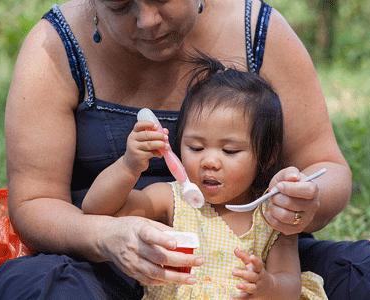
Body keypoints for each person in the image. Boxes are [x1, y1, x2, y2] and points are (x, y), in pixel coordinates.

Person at [0, 0, 370, 299]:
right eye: (120, 5)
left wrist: (303, 203)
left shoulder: (259, 30)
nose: (147, 20)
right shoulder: (55, 47)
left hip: (251, 267)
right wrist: (108, 236)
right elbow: (36, 202)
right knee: (36, 287)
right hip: (103, 268)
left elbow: (326, 167)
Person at [81, 55, 328, 299]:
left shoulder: (274, 215)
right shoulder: (173, 199)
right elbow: (96, 208)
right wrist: (129, 165)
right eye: (196, 148)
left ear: (267, 154)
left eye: (229, 151)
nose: (209, 161)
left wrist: (267, 286)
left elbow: (290, 283)